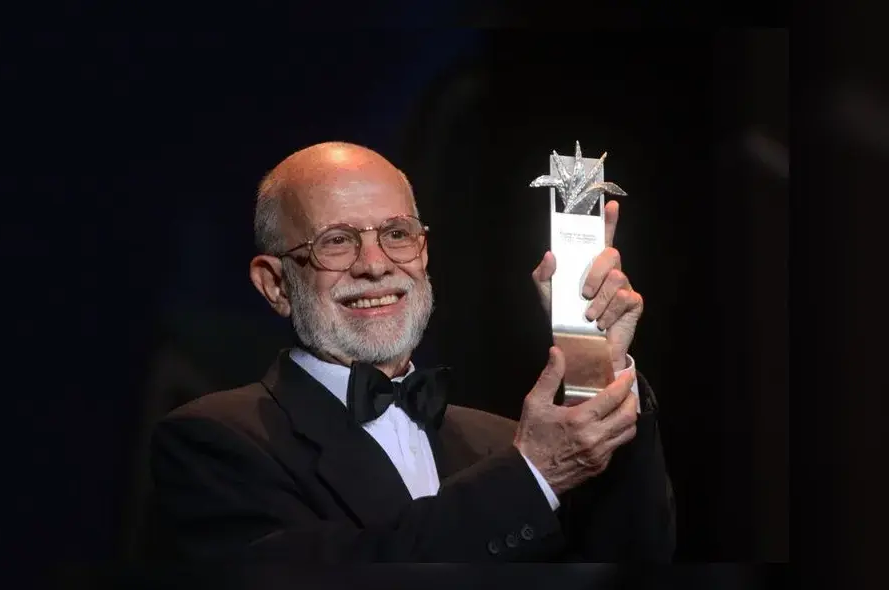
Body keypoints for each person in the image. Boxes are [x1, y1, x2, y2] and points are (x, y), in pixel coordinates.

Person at [147, 141, 675, 563]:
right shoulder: (213, 441)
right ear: (275, 285)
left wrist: (592, 368)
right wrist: (532, 475)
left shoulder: (499, 441)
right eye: (335, 241)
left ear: (424, 255)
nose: (375, 265)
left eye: (397, 234)